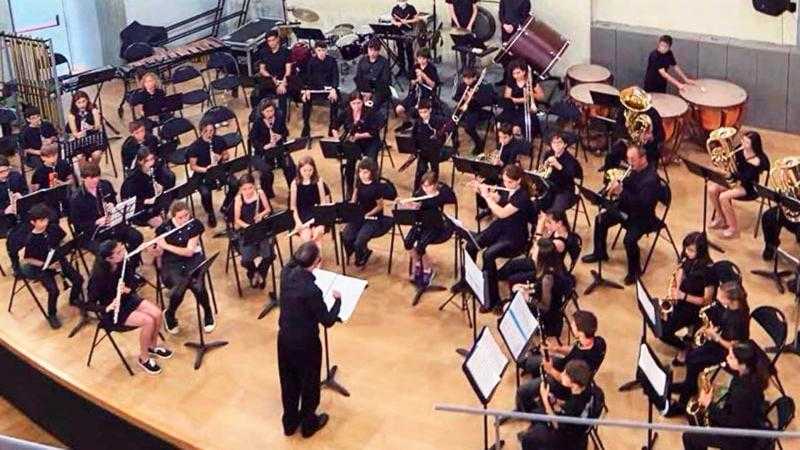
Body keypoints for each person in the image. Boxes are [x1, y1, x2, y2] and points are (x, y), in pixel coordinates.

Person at [277, 241, 342, 438]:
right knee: (309, 383)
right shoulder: (311, 290)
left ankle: (289, 423)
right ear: (316, 262)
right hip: (306, 344)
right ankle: (308, 425)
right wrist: (338, 302)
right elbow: (327, 320)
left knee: (288, 382)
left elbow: (292, 261)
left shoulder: (285, 274)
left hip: (284, 339)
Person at [667, 281, 751, 417]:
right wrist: (712, 328)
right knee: (691, 356)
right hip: (720, 342)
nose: (717, 298)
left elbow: (734, 346)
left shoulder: (739, 319)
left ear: (730, 300)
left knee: (695, 360)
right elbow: (723, 322)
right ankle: (689, 386)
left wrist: (716, 337)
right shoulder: (730, 307)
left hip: (729, 353)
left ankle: (683, 402)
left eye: (720, 296)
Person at [88, 239, 172, 375]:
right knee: (148, 321)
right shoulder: (98, 277)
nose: (124, 252)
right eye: (119, 252)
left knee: (157, 313)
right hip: (113, 312)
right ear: (109, 259)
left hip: (127, 300)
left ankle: (152, 346)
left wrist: (128, 289)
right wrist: (107, 308)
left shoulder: (123, 263)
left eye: (122, 248)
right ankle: (144, 358)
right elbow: (89, 304)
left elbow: (133, 282)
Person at [582, 143, 660, 285]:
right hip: (626, 208)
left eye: (632, 159)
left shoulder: (651, 180)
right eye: (628, 159)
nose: (629, 163)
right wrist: (616, 183)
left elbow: (642, 205)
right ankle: (600, 253)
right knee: (601, 219)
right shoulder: (634, 169)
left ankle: (634, 272)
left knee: (629, 240)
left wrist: (621, 191)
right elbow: (628, 186)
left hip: (643, 217)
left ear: (643, 159)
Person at [467, 164, 533, 312]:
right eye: (504, 181)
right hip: (501, 227)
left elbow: (502, 213)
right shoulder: (507, 188)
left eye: (510, 182)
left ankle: (493, 300)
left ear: (518, 181)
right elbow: (498, 199)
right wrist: (482, 191)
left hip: (515, 236)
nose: (506, 184)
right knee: (471, 244)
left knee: (488, 255)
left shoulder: (522, 196)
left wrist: (486, 197)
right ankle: (469, 281)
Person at [681, 342, 770, 450]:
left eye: (731, 357)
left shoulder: (743, 392)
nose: (727, 358)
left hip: (739, 439)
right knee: (697, 426)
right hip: (743, 425)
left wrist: (709, 405)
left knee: (689, 437)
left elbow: (732, 423)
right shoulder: (750, 376)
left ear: (743, 364)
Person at [8, 204, 84, 329]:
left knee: (78, 279)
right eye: (41, 220)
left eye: (46, 219)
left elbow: (63, 239)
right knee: (54, 291)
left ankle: (74, 299)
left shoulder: (53, 227)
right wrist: (47, 265)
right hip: (41, 266)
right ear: (33, 222)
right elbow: (28, 259)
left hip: (56, 259)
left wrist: (65, 249)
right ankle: (52, 314)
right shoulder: (31, 239)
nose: (45, 222)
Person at [515, 310, 606, 412]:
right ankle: (531, 370)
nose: (571, 325)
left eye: (574, 325)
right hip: (565, 365)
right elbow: (574, 349)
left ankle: (524, 410)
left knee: (522, 390)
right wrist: (555, 348)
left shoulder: (580, 363)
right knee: (527, 362)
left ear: (581, 333)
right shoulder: (599, 341)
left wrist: (550, 370)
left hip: (564, 384)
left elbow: (566, 380)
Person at [156, 201, 215, 334]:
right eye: (180, 217)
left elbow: (189, 251)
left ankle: (207, 312)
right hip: (171, 263)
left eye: (186, 215)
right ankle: (170, 314)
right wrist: (155, 249)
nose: (184, 220)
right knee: (179, 290)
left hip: (192, 259)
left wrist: (166, 246)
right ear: (172, 216)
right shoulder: (163, 229)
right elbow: (158, 252)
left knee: (198, 286)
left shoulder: (195, 224)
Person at [69, 162, 144, 264]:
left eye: (97, 176)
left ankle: (130, 266)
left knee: (136, 237)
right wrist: (96, 222)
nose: (96, 180)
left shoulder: (105, 185)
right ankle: (115, 270)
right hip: (93, 233)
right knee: (106, 252)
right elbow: (78, 226)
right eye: (91, 178)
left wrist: (113, 206)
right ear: (83, 178)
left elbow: (115, 203)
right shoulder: (76, 198)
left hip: (112, 225)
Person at [660, 232, 716, 364]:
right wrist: (676, 289)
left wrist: (682, 296)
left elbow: (706, 301)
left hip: (695, 308)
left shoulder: (708, 270)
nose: (687, 252)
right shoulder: (688, 259)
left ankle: (685, 348)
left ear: (701, 251)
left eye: (691, 250)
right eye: (686, 248)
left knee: (663, 332)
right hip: (682, 299)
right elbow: (681, 270)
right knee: (658, 320)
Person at [519, 359, 595, 450]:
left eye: (566, 374)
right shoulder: (587, 389)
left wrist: (545, 400)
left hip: (567, 441)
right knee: (536, 412)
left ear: (574, 384)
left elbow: (557, 425)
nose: (562, 374)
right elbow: (568, 407)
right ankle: (534, 431)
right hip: (578, 430)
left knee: (527, 440)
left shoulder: (573, 407)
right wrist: (556, 401)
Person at [707, 130, 769, 239]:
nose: (743, 144)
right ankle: (721, 218)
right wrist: (723, 161)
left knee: (723, 197)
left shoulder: (759, 160)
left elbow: (747, 177)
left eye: (746, 143)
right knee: (711, 189)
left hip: (749, 187)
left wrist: (732, 174)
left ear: (754, 145)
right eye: (743, 141)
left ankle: (733, 227)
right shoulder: (740, 150)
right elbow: (731, 163)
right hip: (736, 182)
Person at [510, 238, 575, 338]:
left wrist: (527, 297)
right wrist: (527, 287)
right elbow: (541, 286)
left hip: (548, 318)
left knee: (512, 305)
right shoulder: (551, 266)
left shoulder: (547, 278)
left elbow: (545, 307)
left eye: (535, 249)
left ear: (541, 256)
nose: (532, 251)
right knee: (515, 293)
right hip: (547, 301)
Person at [400, 171, 455, 287]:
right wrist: (411, 206)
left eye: (428, 186)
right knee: (407, 242)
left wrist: (435, 196)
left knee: (420, 246)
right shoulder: (419, 193)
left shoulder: (441, 195)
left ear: (435, 185)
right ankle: (417, 261)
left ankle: (427, 269)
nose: (425, 189)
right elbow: (414, 208)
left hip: (435, 225)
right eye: (424, 186)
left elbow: (451, 201)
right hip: (420, 223)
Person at [342, 158, 392, 267]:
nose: (362, 175)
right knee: (346, 236)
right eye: (360, 172)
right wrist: (349, 208)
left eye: (365, 172)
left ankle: (361, 256)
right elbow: (354, 199)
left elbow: (380, 206)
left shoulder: (376, 187)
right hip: (360, 215)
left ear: (371, 172)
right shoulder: (359, 183)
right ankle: (357, 251)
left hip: (373, 218)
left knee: (359, 241)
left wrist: (368, 214)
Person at [332, 91, 383, 196]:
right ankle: (350, 189)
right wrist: (337, 138)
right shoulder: (346, 112)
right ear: (350, 104)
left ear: (362, 102)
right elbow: (334, 126)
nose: (356, 106)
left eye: (359, 103)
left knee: (370, 163)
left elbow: (374, 132)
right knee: (350, 163)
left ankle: (372, 189)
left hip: (370, 141)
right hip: (354, 142)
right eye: (354, 103)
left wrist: (359, 136)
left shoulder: (369, 112)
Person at [187, 118, 232, 228]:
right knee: (205, 193)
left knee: (235, 183)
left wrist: (221, 157)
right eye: (206, 131)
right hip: (202, 173)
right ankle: (210, 213)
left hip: (218, 170)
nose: (209, 134)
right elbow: (193, 166)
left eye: (211, 131)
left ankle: (226, 206)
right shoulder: (195, 147)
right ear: (201, 132)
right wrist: (206, 169)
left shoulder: (219, 140)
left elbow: (226, 155)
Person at [531, 132, 580, 233]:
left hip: (565, 191)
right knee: (534, 204)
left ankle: (562, 232)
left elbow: (570, 179)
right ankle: (536, 231)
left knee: (555, 212)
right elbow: (545, 173)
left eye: (559, 142)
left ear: (565, 144)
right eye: (554, 142)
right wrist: (539, 176)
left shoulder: (571, 160)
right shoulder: (548, 154)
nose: (556, 145)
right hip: (550, 188)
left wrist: (559, 166)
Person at [232, 174, 274, 289]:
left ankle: (261, 274)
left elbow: (268, 209)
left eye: (250, 188)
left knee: (269, 256)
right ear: (240, 189)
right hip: (246, 230)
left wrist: (261, 215)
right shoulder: (238, 199)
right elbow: (237, 219)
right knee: (246, 260)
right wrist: (248, 227)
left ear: (254, 186)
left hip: (261, 228)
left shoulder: (260, 193)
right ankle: (253, 273)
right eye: (244, 189)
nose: (248, 191)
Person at [249, 99, 296, 199]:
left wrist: (280, 136)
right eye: (267, 111)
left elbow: (286, 132)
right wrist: (264, 147)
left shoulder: (279, 118)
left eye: (272, 111)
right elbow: (253, 140)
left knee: (290, 166)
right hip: (263, 152)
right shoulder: (258, 123)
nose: (270, 114)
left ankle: (293, 191)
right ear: (262, 112)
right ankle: (268, 194)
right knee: (266, 173)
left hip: (278, 149)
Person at [120, 147, 167, 229]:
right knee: (161, 225)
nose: (152, 163)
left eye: (152, 159)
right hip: (141, 210)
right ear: (140, 161)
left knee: (173, 215)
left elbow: (165, 180)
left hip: (155, 204)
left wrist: (161, 186)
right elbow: (129, 200)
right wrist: (145, 201)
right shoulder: (133, 179)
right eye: (148, 160)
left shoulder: (154, 168)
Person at [452, 67, 495, 154]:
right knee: (452, 120)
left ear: (475, 77)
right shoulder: (463, 85)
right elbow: (456, 97)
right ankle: (455, 139)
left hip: (477, 109)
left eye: (469, 79)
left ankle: (479, 143)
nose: (466, 81)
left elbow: (488, 101)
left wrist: (474, 97)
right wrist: (465, 97)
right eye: (465, 78)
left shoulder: (483, 86)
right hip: (464, 107)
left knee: (469, 127)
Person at [121, 120, 175, 189]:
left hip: (154, 165)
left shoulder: (151, 138)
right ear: (132, 134)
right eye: (137, 133)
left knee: (170, 178)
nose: (141, 134)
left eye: (142, 131)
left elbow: (157, 153)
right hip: (138, 170)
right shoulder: (127, 147)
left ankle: (168, 193)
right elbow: (128, 165)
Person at [395, 48, 440, 132]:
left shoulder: (431, 68)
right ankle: (407, 124)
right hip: (415, 93)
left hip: (426, 95)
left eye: (424, 58)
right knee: (399, 109)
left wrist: (423, 76)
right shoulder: (415, 66)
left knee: (419, 112)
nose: (421, 61)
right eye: (419, 58)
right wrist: (416, 81)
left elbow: (433, 85)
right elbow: (411, 81)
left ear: (427, 59)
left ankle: (422, 129)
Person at [301, 41, 339, 138]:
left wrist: (333, 89)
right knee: (306, 100)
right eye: (319, 50)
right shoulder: (311, 62)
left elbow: (335, 77)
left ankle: (333, 126)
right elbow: (308, 78)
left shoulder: (332, 61)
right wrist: (307, 90)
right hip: (315, 89)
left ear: (326, 50)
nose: (321, 53)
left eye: (323, 50)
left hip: (328, 90)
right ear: (315, 51)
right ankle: (306, 126)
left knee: (335, 99)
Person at [498, 60, 544, 139]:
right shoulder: (511, 82)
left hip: (527, 108)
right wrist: (522, 100)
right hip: (513, 108)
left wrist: (531, 94)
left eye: (518, 73)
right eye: (514, 73)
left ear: (524, 72)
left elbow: (541, 96)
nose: (516, 76)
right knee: (504, 118)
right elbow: (507, 98)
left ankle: (524, 140)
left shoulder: (531, 82)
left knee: (525, 122)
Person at [410, 100, 450, 190]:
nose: (423, 115)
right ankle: (416, 191)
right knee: (420, 172)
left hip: (434, 151)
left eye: (425, 112)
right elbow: (414, 136)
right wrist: (415, 149)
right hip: (423, 151)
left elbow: (449, 124)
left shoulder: (437, 120)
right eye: (420, 112)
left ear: (430, 110)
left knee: (434, 171)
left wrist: (441, 137)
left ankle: (433, 189)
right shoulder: (418, 122)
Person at [290, 156, 330, 244]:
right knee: (306, 238)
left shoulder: (319, 181)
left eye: (310, 170)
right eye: (304, 170)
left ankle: (317, 252)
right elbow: (293, 207)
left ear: (314, 169)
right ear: (299, 170)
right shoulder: (294, 184)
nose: (307, 173)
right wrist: (298, 222)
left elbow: (323, 202)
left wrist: (320, 219)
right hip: (302, 215)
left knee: (317, 236)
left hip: (317, 213)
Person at [252, 30, 293, 114]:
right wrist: (271, 78)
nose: (271, 43)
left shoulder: (286, 52)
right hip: (269, 80)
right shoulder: (263, 52)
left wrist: (282, 84)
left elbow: (288, 71)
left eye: (273, 40)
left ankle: (281, 118)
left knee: (282, 94)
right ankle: (258, 115)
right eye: (269, 41)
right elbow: (262, 69)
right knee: (255, 95)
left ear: (277, 39)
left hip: (282, 80)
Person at [66, 90, 103, 164]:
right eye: (79, 102)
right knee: (80, 157)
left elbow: (98, 127)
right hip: (80, 141)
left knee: (96, 155)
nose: (82, 105)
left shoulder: (93, 111)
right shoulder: (72, 115)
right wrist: (79, 134)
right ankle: (85, 170)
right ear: (75, 104)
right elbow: (74, 133)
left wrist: (91, 127)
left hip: (94, 138)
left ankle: (93, 168)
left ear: (87, 100)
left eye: (84, 101)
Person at [354, 39, 392, 108]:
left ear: (379, 51)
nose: (372, 53)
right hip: (364, 88)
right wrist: (363, 90)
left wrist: (371, 92)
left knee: (372, 104)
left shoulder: (384, 62)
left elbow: (384, 81)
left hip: (378, 90)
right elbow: (358, 77)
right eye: (370, 50)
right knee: (354, 100)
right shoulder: (362, 60)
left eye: (375, 50)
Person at [20, 105, 59, 170]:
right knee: (41, 165)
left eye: (38, 116)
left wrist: (50, 139)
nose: (37, 120)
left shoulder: (47, 125)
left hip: (50, 150)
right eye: (33, 118)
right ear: (28, 119)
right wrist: (39, 152)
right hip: (35, 155)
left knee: (58, 159)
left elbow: (55, 136)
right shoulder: (25, 132)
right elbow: (26, 148)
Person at [390, 0, 421, 76]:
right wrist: (396, 23)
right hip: (398, 32)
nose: (401, 1)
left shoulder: (411, 8)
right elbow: (392, 19)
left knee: (409, 50)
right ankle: (402, 68)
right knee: (400, 50)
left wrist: (407, 21)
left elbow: (417, 19)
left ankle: (411, 69)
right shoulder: (395, 8)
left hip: (408, 32)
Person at [446, 0, 478, 67]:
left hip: (470, 23)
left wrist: (470, 25)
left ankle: (471, 66)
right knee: (461, 46)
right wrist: (458, 25)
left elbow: (475, 10)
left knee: (472, 46)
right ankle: (464, 66)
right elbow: (451, 10)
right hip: (457, 24)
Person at [0, 155, 29, 230]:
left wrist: (21, 195)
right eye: (1, 172)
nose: (5, 174)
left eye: (7, 170)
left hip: (20, 209)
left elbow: (25, 191)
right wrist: (4, 211)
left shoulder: (16, 175)